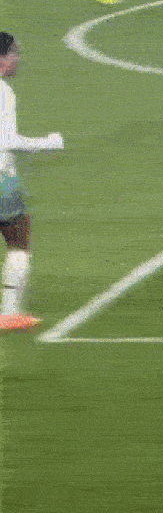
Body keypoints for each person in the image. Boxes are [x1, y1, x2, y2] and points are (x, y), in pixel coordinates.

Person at [0, 32, 64, 333]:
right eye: (14, 53)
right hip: (1, 181)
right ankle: (10, 313)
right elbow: (7, 140)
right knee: (18, 241)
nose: (18, 59)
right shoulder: (3, 93)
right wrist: (48, 143)